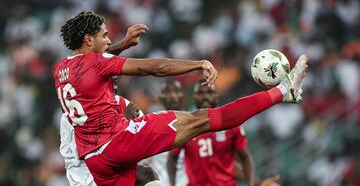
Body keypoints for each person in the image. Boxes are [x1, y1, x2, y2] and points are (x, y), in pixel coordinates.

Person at [53, 11, 308, 186]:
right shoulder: (97, 63)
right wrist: (197, 64)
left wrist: (121, 45)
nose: (109, 41)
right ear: (88, 39)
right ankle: (285, 91)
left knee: (144, 175)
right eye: (104, 36)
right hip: (118, 142)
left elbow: (93, 66)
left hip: (97, 161)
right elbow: (153, 68)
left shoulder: (60, 70)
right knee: (202, 120)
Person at [59, 24, 160, 186]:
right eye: (105, 81)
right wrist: (125, 124)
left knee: (146, 173)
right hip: (86, 176)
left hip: (115, 170)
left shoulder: (125, 104)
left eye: (113, 80)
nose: (111, 84)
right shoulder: (73, 114)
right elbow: (93, 153)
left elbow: (139, 149)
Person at [167, 79, 279, 186]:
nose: (205, 96)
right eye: (200, 92)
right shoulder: (186, 124)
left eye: (210, 92)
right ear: (194, 96)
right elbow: (172, 159)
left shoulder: (231, 123)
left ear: (217, 95)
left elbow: (244, 158)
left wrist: (253, 183)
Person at [146, 79, 188, 186]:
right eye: (168, 92)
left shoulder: (193, 122)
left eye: (176, 91)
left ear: (183, 96)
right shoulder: (151, 123)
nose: (173, 95)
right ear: (161, 98)